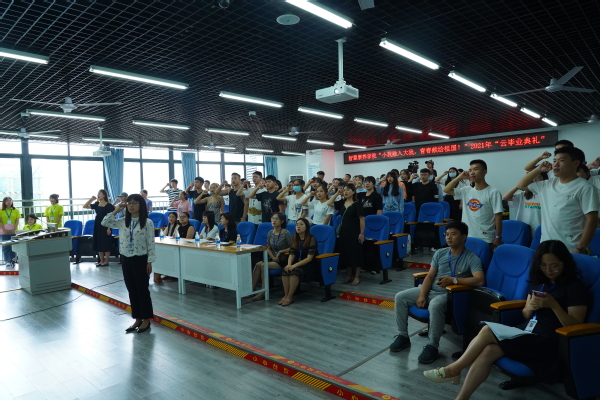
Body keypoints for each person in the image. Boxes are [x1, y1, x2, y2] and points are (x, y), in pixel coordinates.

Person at [423, 240, 588, 397]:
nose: (549, 270)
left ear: (565, 263)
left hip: (550, 341)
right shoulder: (539, 282)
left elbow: (575, 324)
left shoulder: (575, 287)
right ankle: (461, 397)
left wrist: (554, 306)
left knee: (487, 330)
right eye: (543, 265)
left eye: (554, 266)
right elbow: (526, 314)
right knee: (488, 351)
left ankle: (454, 369)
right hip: (528, 333)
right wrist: (530, 307)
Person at [390, 222, 485, 364]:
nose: (449, 237)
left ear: (463, 237)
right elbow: (429, 276)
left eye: (453, 234)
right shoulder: (440, 253)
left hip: (451, 295)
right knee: (400, 297)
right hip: (432, 290)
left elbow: (479, 280)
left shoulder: (471, 258)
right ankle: (403, 336)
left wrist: (454, 280)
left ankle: (432, 346)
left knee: (434, 304)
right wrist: (422, 295)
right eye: (447, 234)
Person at [516, 146, 598, 253]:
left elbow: (592, 220)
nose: (555, 164)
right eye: (554, 161)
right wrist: (538, 169)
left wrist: (580, 248)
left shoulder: (585, 187)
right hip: (546, 246)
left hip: (571, 248)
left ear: (576, 163)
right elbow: (521, 185)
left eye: (561, 160)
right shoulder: (548, 184)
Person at [102, 194, 156, 334]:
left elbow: (151, 243)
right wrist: (116, 210)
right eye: (129, 203)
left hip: (141, 259)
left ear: (141, 205)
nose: (131, 205)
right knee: (131, 289)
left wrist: (150, 261)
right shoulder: (122, 221)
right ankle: (137, 318)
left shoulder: (147, 222)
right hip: (126, 258)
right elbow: (105, 222)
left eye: (135, 203)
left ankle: (146, 319)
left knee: (142, 289)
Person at [444, 160, 504, 251]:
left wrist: (498, 237)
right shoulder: (466, 190)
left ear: (484, 172)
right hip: (466, 237)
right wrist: (459, 177)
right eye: (470, 170)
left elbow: (498, 216)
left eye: (476, 169)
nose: (472, 172)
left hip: (485, 238)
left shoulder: (493, 192)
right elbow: (446, 190)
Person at [327, 183, 365, 285]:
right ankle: (349, 275)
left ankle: (357, 276)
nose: (345, 192)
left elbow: (361, 219)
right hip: (344, 232)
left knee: (356, 254)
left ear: (353, 191)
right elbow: (329, 203)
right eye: (344, 190)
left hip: (355, 232)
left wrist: (361, 233)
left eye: (348, 190)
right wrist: (337, 193)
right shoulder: (342, 202)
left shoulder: (357, 204)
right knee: (346, 253)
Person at [251, 213, 292, 301]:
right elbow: (267, 247)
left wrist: (281, 252)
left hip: (283, 259)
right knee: (257, 264)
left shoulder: (286, 233)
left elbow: (292, 248)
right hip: (272, 258)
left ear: (282, 221)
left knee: (263, 265)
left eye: (276, 219)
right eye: (273, 218)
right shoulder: (270, 233)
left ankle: (263, 291)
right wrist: (273, 257)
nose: (274, 220)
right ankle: (251, 289)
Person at [281, 218, 317, 306]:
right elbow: (292, 254)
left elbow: (309, 258)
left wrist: (294, 266)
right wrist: (289, 264)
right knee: (285, 269)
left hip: (309, 265)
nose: (298, 226)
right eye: (297, 224)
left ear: (306, 227)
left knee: (295, 271)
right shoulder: (294, 238)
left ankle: (290, 297)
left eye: (301, 224)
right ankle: (286, 295)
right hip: (298, 262)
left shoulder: (311, 239)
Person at [503, 171, 548, 237]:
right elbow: (505, 197)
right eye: (532, 177)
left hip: (539, 230)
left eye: (538, 177)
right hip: (523, 230)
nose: (534, 180)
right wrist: (520, 184)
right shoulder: (523, 195)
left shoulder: (546, 195)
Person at [83, 190, 115, 267]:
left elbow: (111, 217)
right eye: (98, 194)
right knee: (99, 242)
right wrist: (91, 199)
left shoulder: (109, 205)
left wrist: (109, 228)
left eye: (100, 194)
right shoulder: (97, 204)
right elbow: (85, 206)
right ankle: (101, 260)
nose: (98, 195)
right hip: (98, 225)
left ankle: (106, 261)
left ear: (104, 195)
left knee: (106, 243)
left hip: (106, 225)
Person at [1, 197, 21, 266]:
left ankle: (13, 260)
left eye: (10, 200)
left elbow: (17, 220)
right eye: (7, 200)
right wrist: (4, 230)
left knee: (14, 246)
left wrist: (14, 229)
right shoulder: (1, 210)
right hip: (4, 230)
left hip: (13, 230)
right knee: (6, 246)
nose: (9, 202)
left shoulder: (15, 210)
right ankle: (7, 261)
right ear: (4, 202)